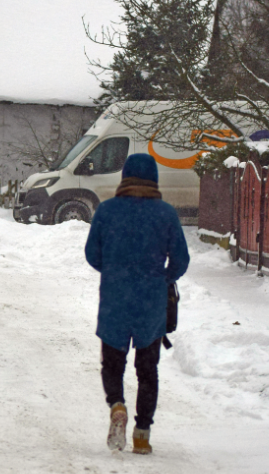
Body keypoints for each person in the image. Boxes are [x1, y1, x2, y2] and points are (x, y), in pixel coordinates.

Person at [84, 153, 189, 454]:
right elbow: (181, 260)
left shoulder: (107, 211)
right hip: (150, 302)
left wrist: (114, 270)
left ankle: (117, 404)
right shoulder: (165, 214)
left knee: (112, 364)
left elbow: (93, 254)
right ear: (154, 178)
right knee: (147, 370)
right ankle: (142, 434)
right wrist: (163, 278)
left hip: (115, 299)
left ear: (124, 177)